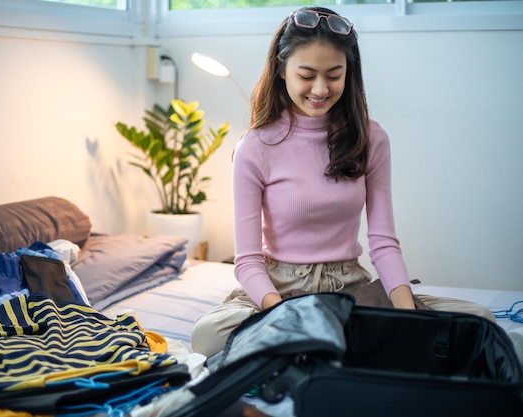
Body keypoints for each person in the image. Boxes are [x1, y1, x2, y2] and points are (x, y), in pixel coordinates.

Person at [190, 6, 494, 357]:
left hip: (348, 287)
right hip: (279, 289)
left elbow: (382, 241)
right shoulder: (255, 147)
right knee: (208, 335)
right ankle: (330, 344)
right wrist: (280, 314)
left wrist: (408, 318)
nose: (320, 89)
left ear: (349, 73)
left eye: (334, 75)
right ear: (281, 69)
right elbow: (247, 261)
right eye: (307, 75)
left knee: (480, 320)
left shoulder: (370, 138)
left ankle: (320, 346)